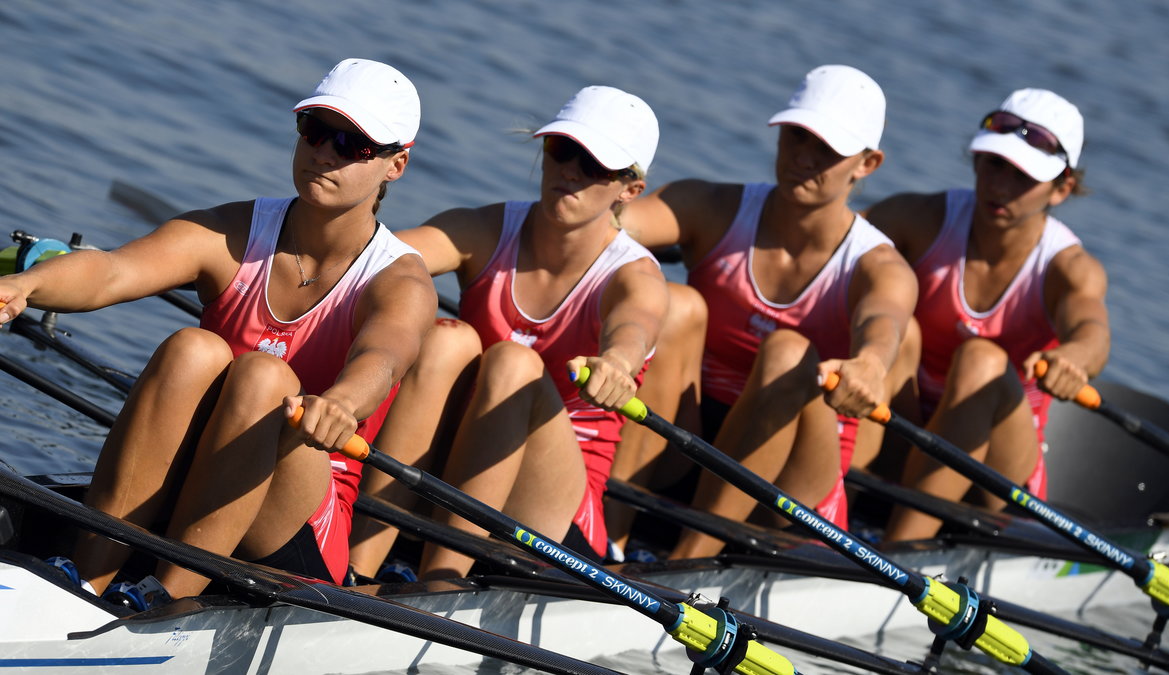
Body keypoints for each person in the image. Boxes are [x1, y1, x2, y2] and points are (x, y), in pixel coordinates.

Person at [0, 58, 437, 604]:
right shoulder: (235, 230)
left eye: (353, 145)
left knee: (262, 376)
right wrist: (25, 286)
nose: (325, 152)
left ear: (396, 165)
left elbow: (386, 355)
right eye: (316, 131)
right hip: (201, 476)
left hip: (299, 520)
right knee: (192, 348)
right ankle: (86, 579)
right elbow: (113, 270)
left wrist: (342, 403)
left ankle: (169, 597)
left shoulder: (401, 280)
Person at [616, 65, 919, 560]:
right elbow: (604, 221)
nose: (803, 157)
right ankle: (608, 539)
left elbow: (884, 319)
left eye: (827, 148)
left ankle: (690, 565)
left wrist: (868, 364)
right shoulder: (710, 206)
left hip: (791, 488)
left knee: (787, 350)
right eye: (797, 136)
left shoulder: (879, 265)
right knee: (675, 304)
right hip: (689, 444)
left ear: (867, 164)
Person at [370, 85, 668, 579]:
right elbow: (378, 260)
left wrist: (617, 364)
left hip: (557, 506)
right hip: (459, 462)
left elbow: (635, 326)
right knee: (447, 339)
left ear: (628, 190)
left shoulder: (636, 276)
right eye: (562, 149)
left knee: (512, 362)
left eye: (593, 164)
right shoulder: (483, 230)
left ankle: (441, 586)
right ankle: (353, 569)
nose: (570, 170)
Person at [866, 88, 1109, 542]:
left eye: (1023, 175)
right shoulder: (917, 217)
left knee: (982, 358)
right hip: (906, 433)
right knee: (897, 327)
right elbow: (828, 247)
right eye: (995, 164)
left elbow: (1092, 329)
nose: (1001, 186)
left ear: (1062, 189)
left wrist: (1075, 358)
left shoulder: (1068, 267)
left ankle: (897, 555)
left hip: (997, 480)